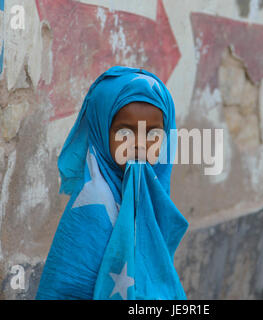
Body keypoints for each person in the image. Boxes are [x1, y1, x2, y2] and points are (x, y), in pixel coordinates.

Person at [35, 66, 189, 300]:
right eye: (125, 133)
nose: (139, 145)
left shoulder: (147, 194)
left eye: (152, 135)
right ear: (100, 131)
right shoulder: (94, 206)